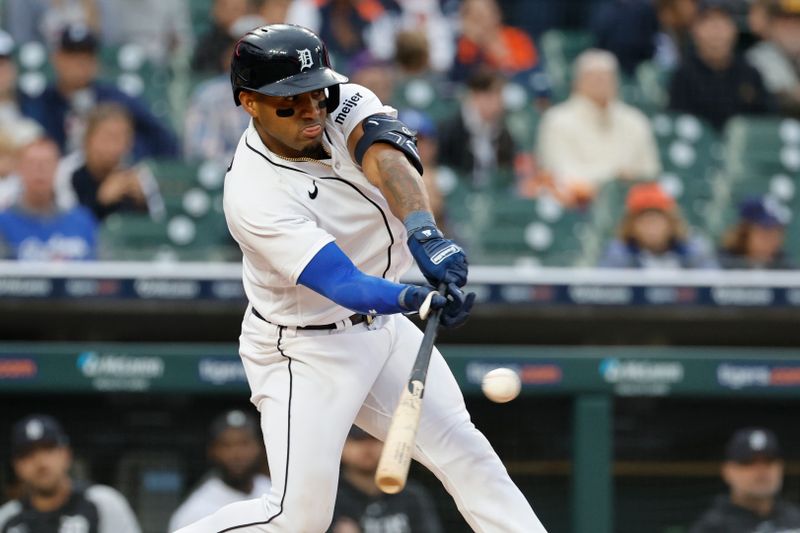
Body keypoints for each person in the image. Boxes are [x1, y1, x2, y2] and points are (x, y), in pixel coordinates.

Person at [173, 24, 545, 533]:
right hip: (305, 350)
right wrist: (414, 299)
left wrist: (424, 231)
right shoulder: (252, 193)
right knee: (296, 519)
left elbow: (386, 157)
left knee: (466, 452)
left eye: (316, 93)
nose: (310, 110)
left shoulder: (343, 100)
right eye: (289, 101)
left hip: (382, 329)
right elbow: (341, 282)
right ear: (248, 102)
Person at [19, 24, 179, 160]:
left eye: (86, 55)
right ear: (56, 58)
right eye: (72, 54)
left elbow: (164, 140)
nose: (79, 62)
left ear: (96, 61)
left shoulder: (116, 100)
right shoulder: (40, 102)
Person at [537, 49, 661, 205]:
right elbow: (560, 174)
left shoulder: (635, 120)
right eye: (593, 77)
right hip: (578, 205)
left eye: (606, 77)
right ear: (577, 82)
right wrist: (615, 177)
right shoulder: (557, 120)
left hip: (633, 205)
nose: (601, 83)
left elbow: (650, 172)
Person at [0, 414, 141, 533]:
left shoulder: (103, 502)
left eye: (48, 449)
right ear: (17, 466)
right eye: (28, 454)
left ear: (66, 454)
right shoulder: (7, 518)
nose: (40, 462)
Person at [669, 0, 770, 130]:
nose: (716, 32)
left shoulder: (751, 74)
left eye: (723, 22)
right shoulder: (683, 76)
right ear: (695, 30)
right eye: (708, 23)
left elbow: (767, 122)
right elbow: (677, 123)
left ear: (734, 29)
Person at [55, 103, 163, 222]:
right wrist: (100, 201)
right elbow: (64, 223)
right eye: (109, 136)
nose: (115, 145)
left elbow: (156, 222)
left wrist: (142, 203)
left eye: (123, 137)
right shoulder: (65, 171)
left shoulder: (138, 174)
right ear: (88, 139)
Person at [169, 410, 271, 531]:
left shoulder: (274, 492)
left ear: (261, 448)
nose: (236, 454)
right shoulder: (194, 512)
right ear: (212, 451)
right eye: (227, 445)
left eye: (244, 443)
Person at [329, 426, 443, 533]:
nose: (368, 447)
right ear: (342, 445)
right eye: (358, 440)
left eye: (375, 439)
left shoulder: (412, 496)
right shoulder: (329, 498)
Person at [0, 138, 97, 260]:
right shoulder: (3, 223)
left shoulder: (82, 221)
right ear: (19, 168)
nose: (39, 170)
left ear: (57, 167)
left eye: (46, 163)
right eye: (32, 163)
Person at [689, 427, 800, 532]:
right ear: (727, 471)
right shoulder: (712, 527)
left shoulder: (796, 519)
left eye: (769, 461)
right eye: (748, 462)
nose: (761, 470)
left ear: (781, 467)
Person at [599, 182, 718, 269]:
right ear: (631, 227)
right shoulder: (618, 254)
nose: (651, 230)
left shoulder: (694, 251)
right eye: (645, 223)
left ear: (671, 223)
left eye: (657, 222)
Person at [451, 0, 550, 102]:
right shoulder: (467, 45)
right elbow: (462, 79)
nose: (485, 18)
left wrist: (497, 51)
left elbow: (529, 72)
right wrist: (478, 42)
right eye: (478, 15)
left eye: (489, 11)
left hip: (519, 95)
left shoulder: (515, 37)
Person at [438, 68, 517, 189]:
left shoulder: (502, 131)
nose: (499, 102)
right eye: (493, 95)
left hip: (493, 195)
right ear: (476, 96)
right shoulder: (450, 130)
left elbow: (505, 170)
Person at [746, 0, 800, 118]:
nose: (792, 29)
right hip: (774, 128)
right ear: (771, 27)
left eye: (797, 23)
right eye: (785, 23)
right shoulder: (757, 57)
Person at [718, 196, 794, 269]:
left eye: (777, 233)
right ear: (744, 233)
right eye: (765, 233)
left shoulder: (784, 265)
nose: (772, 241)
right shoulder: (719, 265)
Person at [192, 0, 255, 74]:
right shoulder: (208, 43)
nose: (230, 14)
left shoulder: (255, 37)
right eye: (224, 6)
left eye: (236, 9)